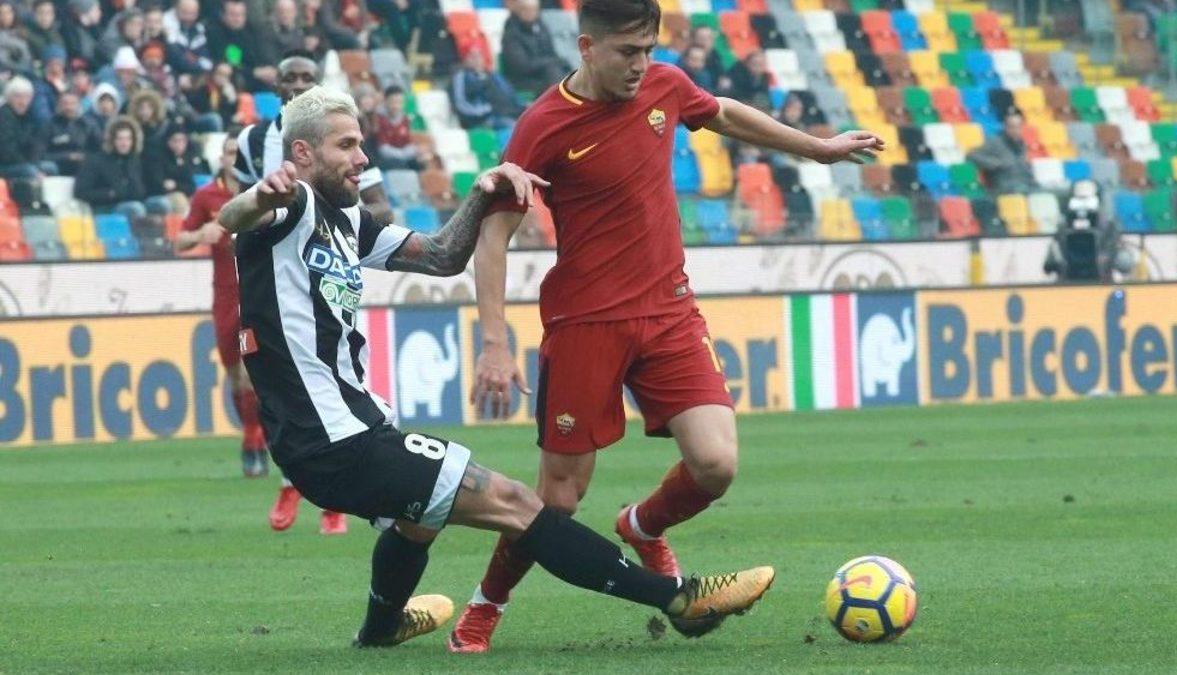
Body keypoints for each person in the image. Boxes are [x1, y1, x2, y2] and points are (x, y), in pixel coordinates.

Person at [217, 84, 775, 647]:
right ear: (303, 153)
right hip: (331, 438)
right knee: (515, 504)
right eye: (346, 145)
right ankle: (680, 598)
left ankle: (381, 630)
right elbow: (234, 216)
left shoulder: (345, 220)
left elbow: (442, 256)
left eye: (360, 144)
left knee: (419, 518)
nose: (362, 158)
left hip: (348, 429)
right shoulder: (288, 207)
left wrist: (483, 191)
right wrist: (260, 194)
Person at [449, 0, 881, 652]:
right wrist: (492, 342)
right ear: (588, 47)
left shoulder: (664, 85)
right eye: (628, 52)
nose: (641, 65)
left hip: (669, 309)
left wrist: (817, 149)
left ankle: (644, 525)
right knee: (557, 501)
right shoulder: (543, 124)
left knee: (715, 463)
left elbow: (724, 112)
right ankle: (486, 605)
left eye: (648, 50)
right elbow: (494, 235)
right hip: (585, 321)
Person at [231, 53, 389, 535]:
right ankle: (291, 480)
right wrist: (260, 204)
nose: (298, 84)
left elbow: (374, 199)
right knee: (263, 377)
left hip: (324, 267)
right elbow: (238, 207)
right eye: (290, 78)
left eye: (307, 77)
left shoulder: (339, 139)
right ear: (276, 87)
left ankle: (330, 502)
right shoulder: (253, 140)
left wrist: (359, 229)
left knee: (329, 368)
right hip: (271, 271)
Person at [176, 134, 269, 477]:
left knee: (249, 373)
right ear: (222, 157)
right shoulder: (206, 196)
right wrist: (201, 234)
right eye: (230, 152)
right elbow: (180, 240)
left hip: (257, 293)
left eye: (239, 153)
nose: (234, 158)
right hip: (225, 295)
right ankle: (255, 436)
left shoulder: (262, 192)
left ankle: (252, 440)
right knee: (233, 375)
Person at [74, 115, 159, 219]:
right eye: (120, 139)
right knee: (135, 208)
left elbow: (145, 188)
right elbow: (80, 192)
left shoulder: (136, 160)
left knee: (160, 203)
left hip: (134, 202)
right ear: (112, 140)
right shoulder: (96, 161)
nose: (124, 143)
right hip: (106, 207)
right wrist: (111, 193)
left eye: (128, 139)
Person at [501, 0, 570, 93]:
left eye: (534, 10)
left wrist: (557, 62)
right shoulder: (511, 33)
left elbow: (551, 53)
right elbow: (521, 66)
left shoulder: (541, 27)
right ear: (518, 10)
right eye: (526, 10)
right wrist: (549, 62)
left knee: (566, 71)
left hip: (544, 73)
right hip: (524, 79)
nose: (531, 13)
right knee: (553, 71)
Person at [450, 47, 526, 130]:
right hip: (485, 119)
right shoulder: (461, 77)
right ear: (465, 59)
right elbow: (461, 105)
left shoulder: (493, 75)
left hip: (508, 112)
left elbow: (510, 94)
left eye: (479, 56)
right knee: (514, 127)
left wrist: (523, 107)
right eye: (472, 57)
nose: (477, 60)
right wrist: (488, 109)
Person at [0, 77, 54, 181]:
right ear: (8, 98)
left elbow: (35, 144)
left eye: (27, 97)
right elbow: (7, 151)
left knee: (51, 167)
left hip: (24, 162)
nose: (23, 101)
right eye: (18, 96)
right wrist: (31, 167)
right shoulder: (3, 116)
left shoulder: (28, 116)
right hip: (6, 163)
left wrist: (34, 162)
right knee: (30, 171)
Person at [967, 112, 1034, 195]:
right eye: (1012, 127)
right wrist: (996, 163)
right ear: (1005, 127)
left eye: (1018, 127)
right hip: (1002, 187)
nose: (1016, 130)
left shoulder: (1021, 144)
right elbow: (971, 156)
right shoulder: (994, 142)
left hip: (1024, 185)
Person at [46, 92, 100, 175]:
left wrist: (85, 157)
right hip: (57, 167)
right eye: (65, 103)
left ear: (78, 105)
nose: (69, 107)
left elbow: (98, 150)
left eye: (73, 103)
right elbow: (40, 154)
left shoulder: (89, 125)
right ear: (59, 105)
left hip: (84, 167)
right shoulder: (49, 125)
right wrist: (68, 156)